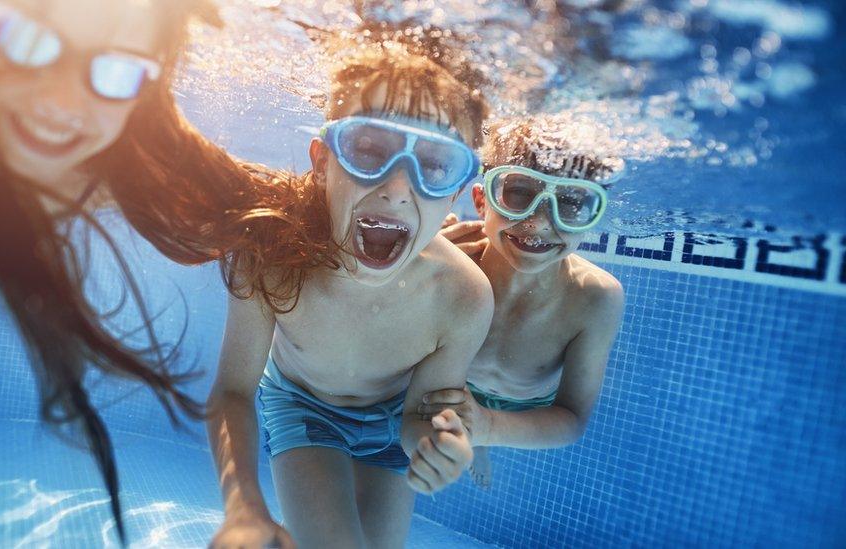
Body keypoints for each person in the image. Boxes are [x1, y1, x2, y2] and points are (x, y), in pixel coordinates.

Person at [0, 0, 305, 540]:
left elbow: (257, 201)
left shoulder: (102, 165)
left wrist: (430, 232)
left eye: (117, 69)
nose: (61, 99)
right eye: (28, 41)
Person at [207, 43, 494, 549]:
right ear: (322, 162)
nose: (398, 188)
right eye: (368, 149)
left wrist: (435, 443)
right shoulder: (272, 255)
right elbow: (233, 389)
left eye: (436, 163)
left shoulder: (463, 298)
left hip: (391, 422)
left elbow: (417, 418)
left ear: (456, 192)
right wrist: (243, 506)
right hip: (303, 407)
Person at [421, 116, 626, 487]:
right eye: (519, 193)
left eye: (570, 203)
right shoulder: (453, 262)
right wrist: (420, 263)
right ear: (482, 201)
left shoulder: (595, 297)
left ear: (589, 220)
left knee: (483, 428)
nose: (540, 222)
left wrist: (489, 426)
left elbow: (571, 418)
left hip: (525, 404)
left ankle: (481, 436)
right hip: (456, 386)